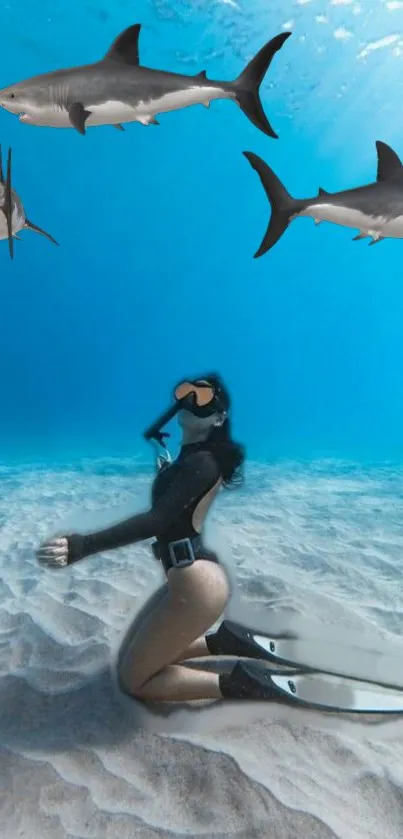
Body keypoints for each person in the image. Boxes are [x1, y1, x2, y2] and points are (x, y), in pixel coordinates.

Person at [36, 373, 259, 703]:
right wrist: (165, 467)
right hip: (188, 579)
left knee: (135, 681)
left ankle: (240, 685)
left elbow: (156, 520)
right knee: (135, 654)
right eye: (185, 392)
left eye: (202, 396)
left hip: (197, 587)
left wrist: (82, 545)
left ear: (219, 417)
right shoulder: (191, 460)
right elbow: (179, 497)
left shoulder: (202, 463)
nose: (188, 400)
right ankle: (221, 643)